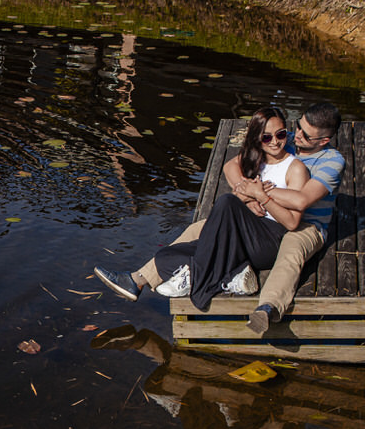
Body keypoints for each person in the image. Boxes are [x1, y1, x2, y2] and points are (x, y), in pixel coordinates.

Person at [95, 102, 344, 326]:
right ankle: (139, 279)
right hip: (265, 215)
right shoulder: (283, 137)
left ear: (322, 141)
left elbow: (301, 201)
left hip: (306, 225)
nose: (295, 135)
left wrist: (260, 194)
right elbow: (232, 165)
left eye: (305, 135)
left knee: (290, 254)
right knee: (201, 227)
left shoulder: (331, 161)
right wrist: (245, 193)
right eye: (297, 127)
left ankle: (269, 307)